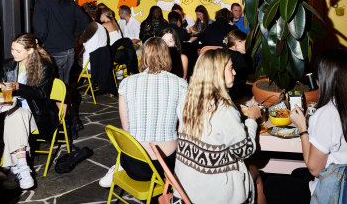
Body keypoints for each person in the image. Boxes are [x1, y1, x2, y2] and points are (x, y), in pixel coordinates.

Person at [263, 49, 347, 203]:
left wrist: (302, 128)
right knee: (297, 173)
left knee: (271, 184)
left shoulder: (327, 113)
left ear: (322, 80)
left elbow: (315, 169)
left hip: (337, 192)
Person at [98, 37, 187, 188]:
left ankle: (118, 166)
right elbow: (186, 126)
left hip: (134, 166)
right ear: (167, 56)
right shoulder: (180, 84)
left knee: (129, 134)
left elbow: (126, 127)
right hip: (166, 167)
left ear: (143, 56)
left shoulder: (127, 83)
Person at [175, 49, 261, 204]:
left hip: (185, 190)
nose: (234, 72)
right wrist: (252, 120)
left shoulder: (186, 98)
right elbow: (245, 151)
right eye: (230, 68)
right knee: (255, 171)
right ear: (217, 73)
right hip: (214, 195)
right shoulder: (224, 111)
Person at [0, 33, 59, 189]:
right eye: (12, 49)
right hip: (12, 109)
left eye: (18, 51)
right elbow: (2, 90)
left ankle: (16, 168)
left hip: (36, 113)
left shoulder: (44, 66)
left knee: (15, 116)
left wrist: (19, 87)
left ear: (30, 51)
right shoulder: (9, 65)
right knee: (15, 115)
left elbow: (41, 94)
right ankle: (22, 167)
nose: (13, 53)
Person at [29, 0, 89, 86]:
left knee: (52, 88)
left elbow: (41, 31)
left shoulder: (42, 3)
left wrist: (34, 45)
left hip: (53, 52)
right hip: (69, 51)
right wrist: (74, 35)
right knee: (63, 86)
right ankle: (64, 104)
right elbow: (84, 20)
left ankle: (60, 105)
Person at [81, 3, 116, 97]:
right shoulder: (101, 27)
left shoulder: (88, 27)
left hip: (90, 66)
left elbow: (81, 47)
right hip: (102, 64)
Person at [224, 29, 253, 99]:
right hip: (236, 95)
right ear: (238, 42)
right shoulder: (238, 57)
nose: (247, 46)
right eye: (245, 43)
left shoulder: (223, 52)